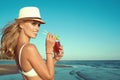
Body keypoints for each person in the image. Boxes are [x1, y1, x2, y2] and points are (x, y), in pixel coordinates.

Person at [0, 6, 64, 80]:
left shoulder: (18, 48)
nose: (37, 28)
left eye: (39, 25)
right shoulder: (29, 48)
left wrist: (55, 59)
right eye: (33, 24)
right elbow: (49, 77)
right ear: (21, 25)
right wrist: (48, 50)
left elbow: (42, 70)